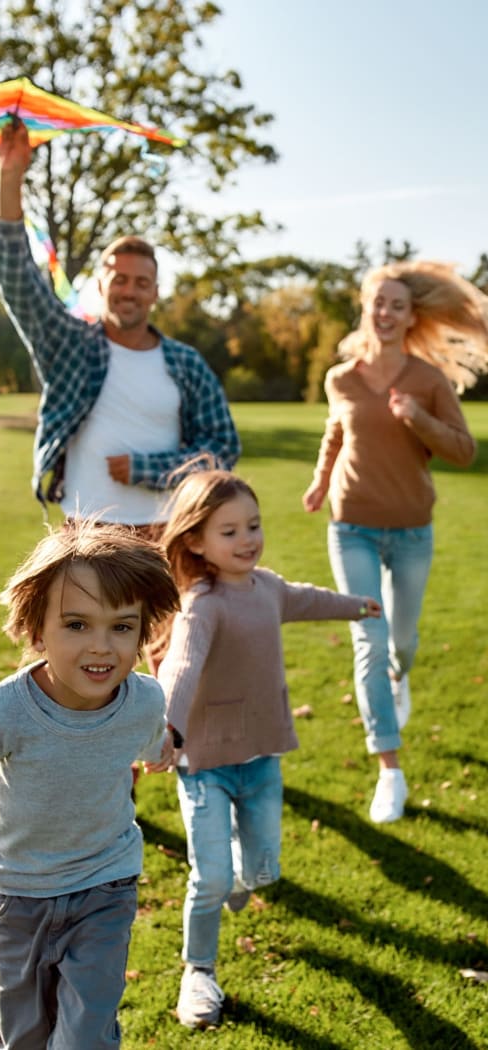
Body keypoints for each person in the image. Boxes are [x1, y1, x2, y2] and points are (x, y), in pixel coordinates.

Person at [0, 518, 180, 1049]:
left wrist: (166, 752)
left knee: (84, 1038)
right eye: (77, 625)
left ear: (143, 632)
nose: (102, 647)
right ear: (36, 629)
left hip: (105, 887)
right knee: (24, 1038)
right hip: (17, 897)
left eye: (122, 626)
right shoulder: (2, 712)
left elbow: (152, 739)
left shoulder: (145, 700)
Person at [153, 470, 380, 1029]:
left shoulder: (268, 588)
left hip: (261, 758)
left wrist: (356, 605)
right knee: (207, 880)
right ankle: (198, 973)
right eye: (229, 531)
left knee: (261, 872)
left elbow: (306, 599)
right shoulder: (201, 606)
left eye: (253, 525)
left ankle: (238, 869)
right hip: (204, 763)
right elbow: (180, 668)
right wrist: (169, 730)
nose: (247, 539)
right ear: (195, 542)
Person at [302, 260, 488, 825]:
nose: (385, 313)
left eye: (397, 306)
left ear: (411, 318)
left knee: (399, 645)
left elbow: (463, 450)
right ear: (365, 306)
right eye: (377, 302)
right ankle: (390, 771)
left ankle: (400, 677)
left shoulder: (427, 380)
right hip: (351, 525)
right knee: (369, 641)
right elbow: (337, 432)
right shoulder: (342, 378)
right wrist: (318, 478)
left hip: (411, 532)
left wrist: (417, 421)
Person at [0, 121, 241, 533]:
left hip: (170, 531)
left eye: (141, 282)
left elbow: (224, 446)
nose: (129, 291)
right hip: (86, 532)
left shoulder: (184, 362)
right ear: (100, 286)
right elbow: (18, 279)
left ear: (155, 293)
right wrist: (10, 177)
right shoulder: (70, 345)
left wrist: (150, 468)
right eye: (119, 280)